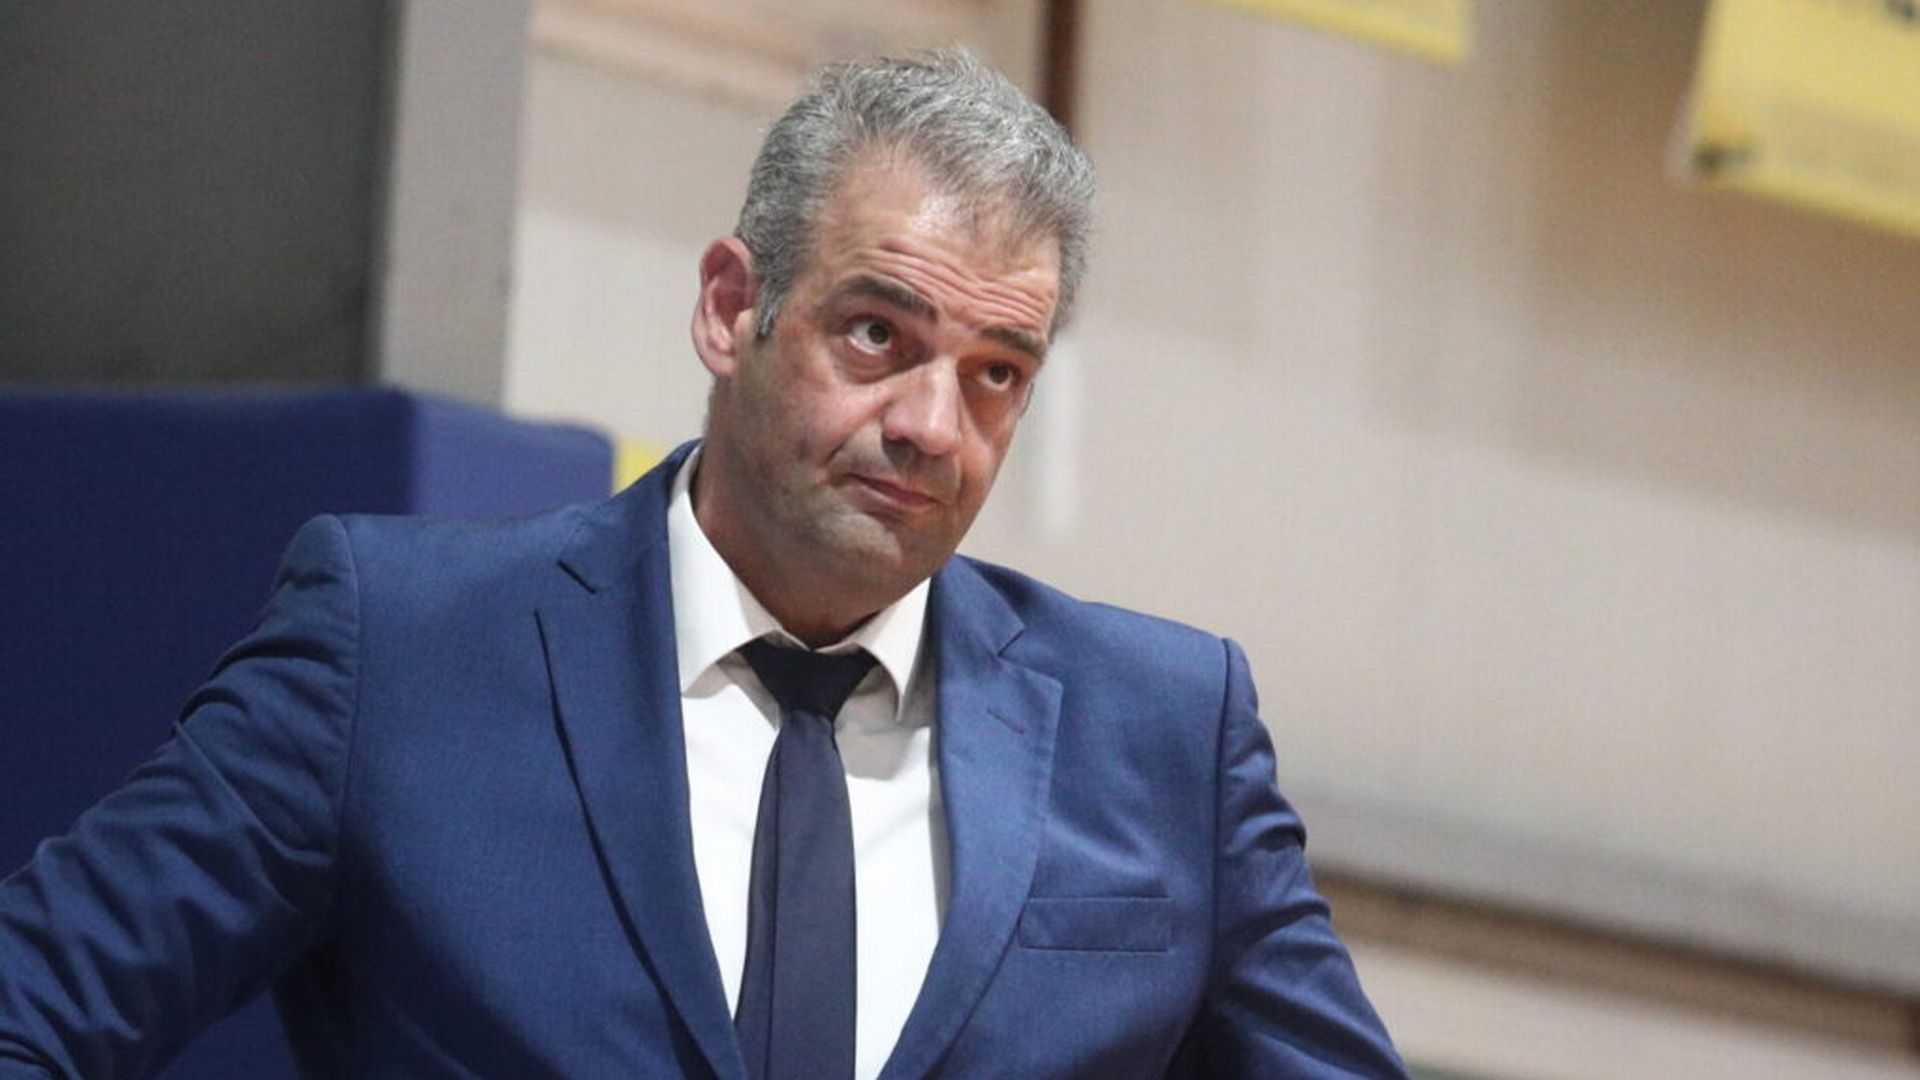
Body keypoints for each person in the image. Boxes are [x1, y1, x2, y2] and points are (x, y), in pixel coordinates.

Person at [0, 49, 1406, 1079]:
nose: (932, 425)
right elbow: (36, 1002)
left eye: (995, 372)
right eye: (878, 335)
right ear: (733, 308)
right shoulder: (405, 652)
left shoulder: (1162, 734)